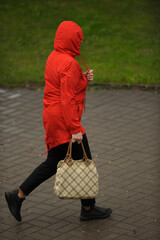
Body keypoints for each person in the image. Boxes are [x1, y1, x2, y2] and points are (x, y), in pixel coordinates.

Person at [5, 21, 112, 222]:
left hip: (53, 116)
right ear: (73, 40)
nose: (80, 44)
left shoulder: (54, 56)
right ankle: (87, 209)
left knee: (59, 160)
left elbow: (63, 85)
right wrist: (75, 129)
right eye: (79, 40)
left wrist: (81, 77)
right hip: (64, 119)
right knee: (74, 158)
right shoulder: (70, 63)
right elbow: (68, 99)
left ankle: (19, 196)